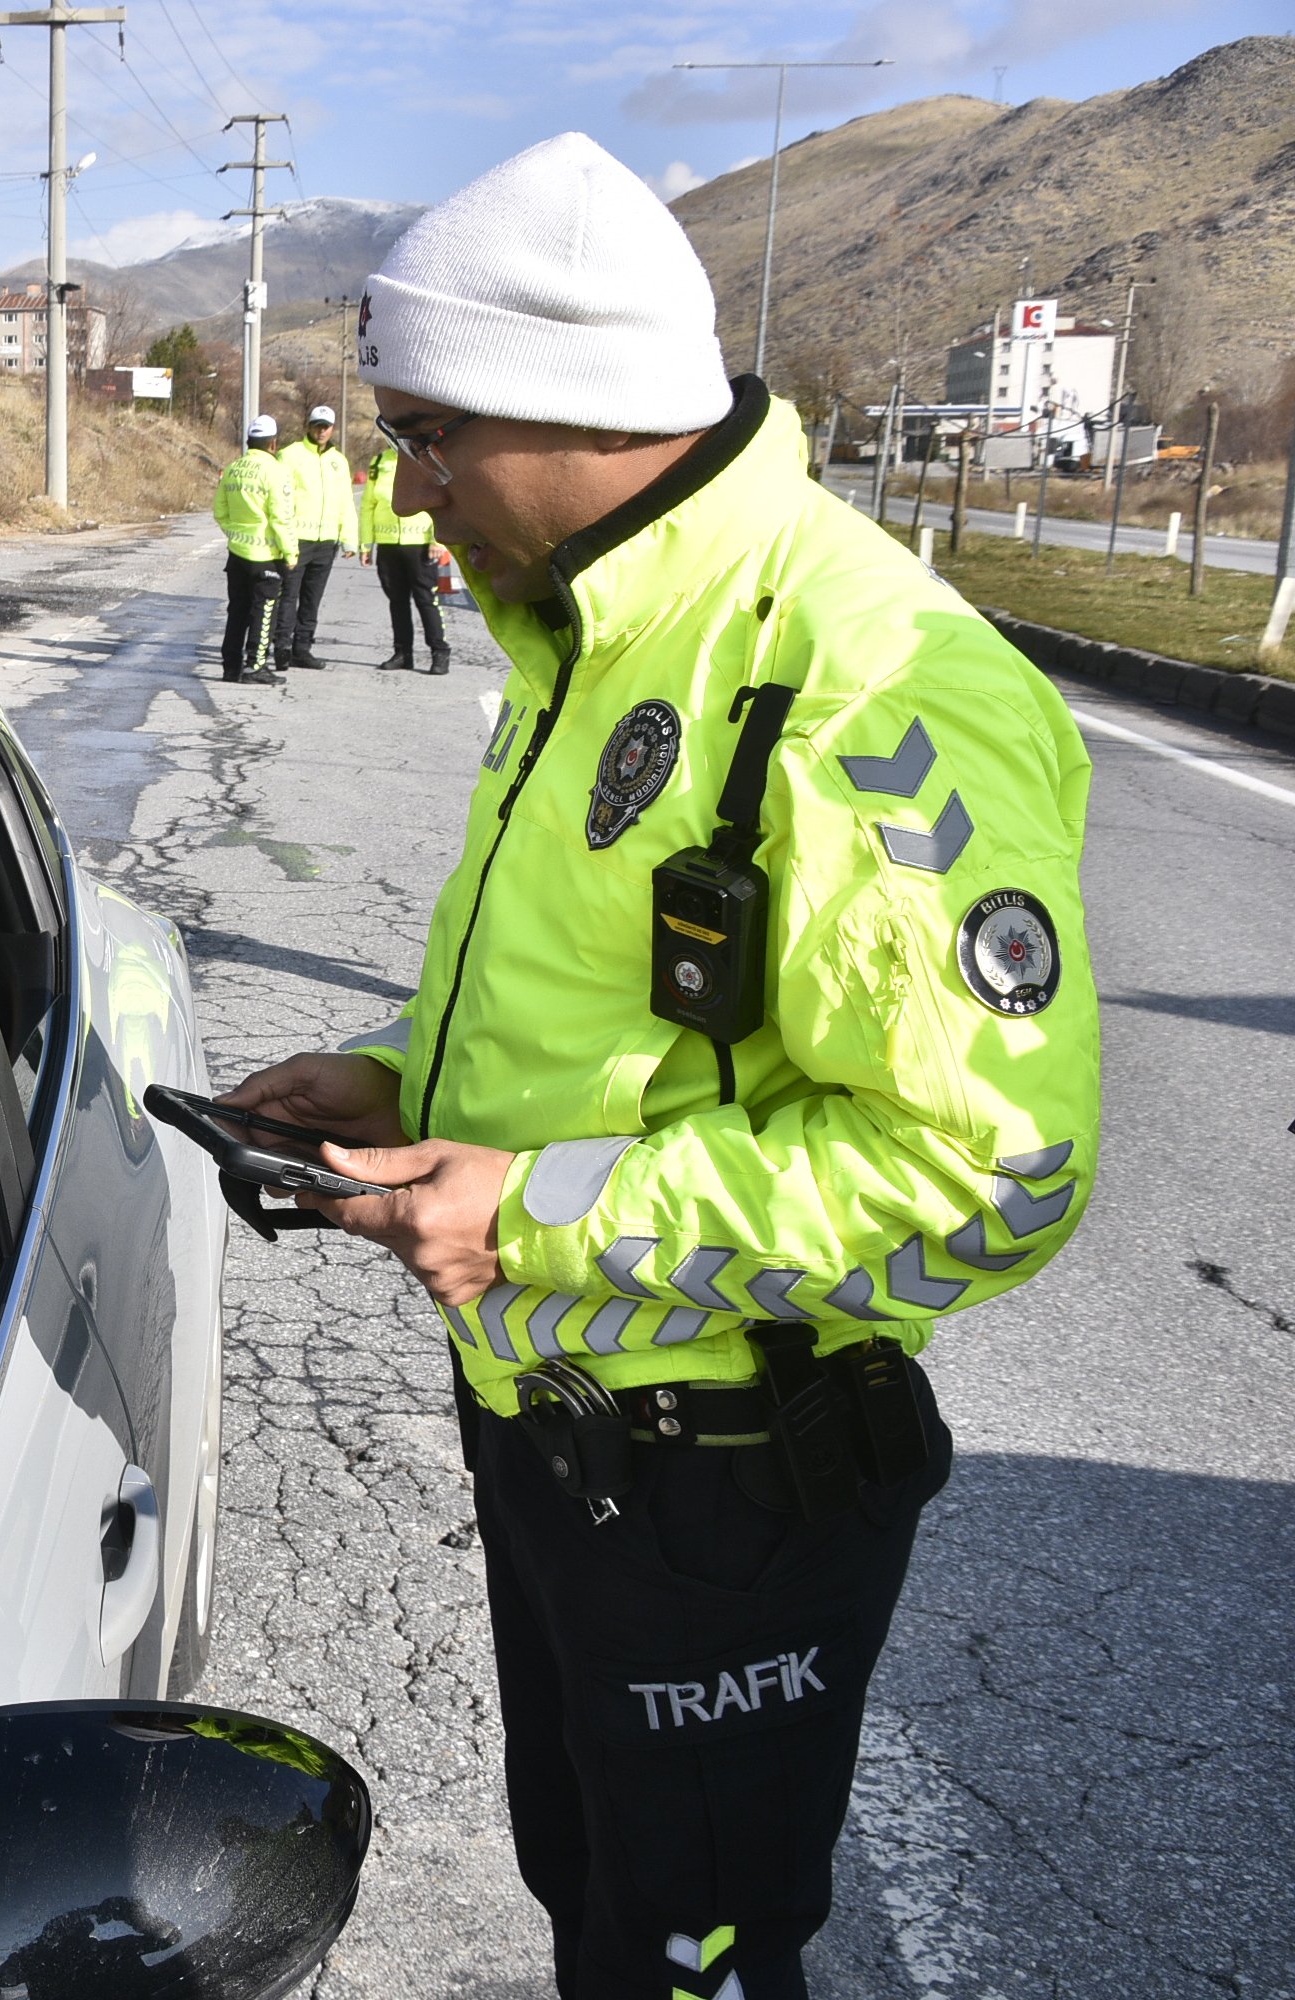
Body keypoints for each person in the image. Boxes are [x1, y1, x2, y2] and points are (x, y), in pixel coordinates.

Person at [220, 132, 1098, 2000]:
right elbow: (622, 1005)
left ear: (565, 408)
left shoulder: (870, 677)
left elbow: (988, 1172)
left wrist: (531, 1211)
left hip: (723, 1479)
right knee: (594, 1899)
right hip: (557, 1421)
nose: (403, 484)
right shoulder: (591, 627)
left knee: (685, 1955)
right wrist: (400, 1081)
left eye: (426, 434)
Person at [276, 404, 358, 671]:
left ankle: (303, 648)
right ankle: (282, 647)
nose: (322, 431)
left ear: (333, 428)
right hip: (297, 539)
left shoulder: (339, 461)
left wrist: (349, 538)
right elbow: (278, 498)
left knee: (312, 598)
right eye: (317, 425)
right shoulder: (289, 455)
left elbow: (345, 501)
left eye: (326, 426)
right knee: (289, 596)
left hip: (326, 542)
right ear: (308, 426)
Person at [213, 414, 292, 685]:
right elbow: (281, 517)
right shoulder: (276, 471)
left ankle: (230, 667)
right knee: (264, 610)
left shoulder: (233, 469)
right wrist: (290, 553)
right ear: (273, 444)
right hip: (266, 557)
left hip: (237, 555)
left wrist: (235, 535)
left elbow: (220, 512)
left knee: (237, 611)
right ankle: (255, 667)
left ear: (249, 443)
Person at [360, 440, 450, 674]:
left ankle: (439, 653)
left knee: (426, 601)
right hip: (388, 545)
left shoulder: (424, 459)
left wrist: (437, 540)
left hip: (419, 545)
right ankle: (402, 654)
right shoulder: (380, 462)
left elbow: (440, 499)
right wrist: (365, 544)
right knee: (397, 602)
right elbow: (368, 505)